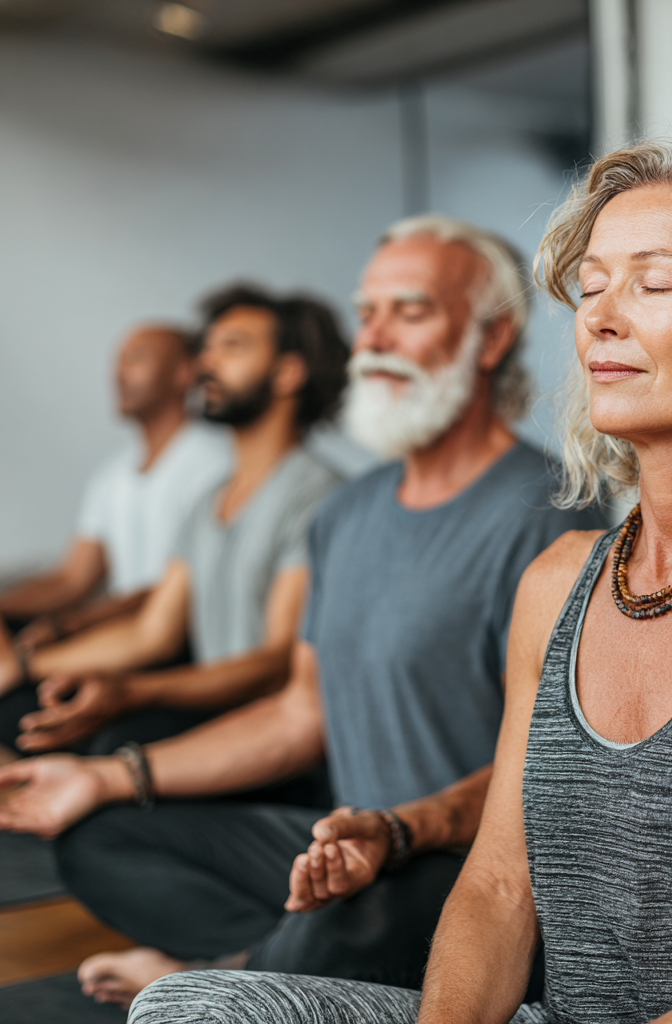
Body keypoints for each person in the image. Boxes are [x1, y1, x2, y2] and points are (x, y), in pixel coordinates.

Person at [125, 141, 672, 1024]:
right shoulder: (558, 583)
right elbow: (501, 886)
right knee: (187, 1006)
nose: (601, 320)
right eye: (590, 289)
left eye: (652, 286)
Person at [0, 215, 604, 1008]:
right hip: (344, 838)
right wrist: (106, 777)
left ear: (489, 341)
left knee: (347, 917)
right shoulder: (346, 515)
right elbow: (298, 715)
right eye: (367, 312)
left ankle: (237, 971)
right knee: (98, 831)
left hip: (464, 860)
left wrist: (401, 832)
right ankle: (272, 961)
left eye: (410, 311)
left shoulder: (552, 514)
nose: (374, 337)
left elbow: (552, 764)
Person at [0, 285, 345, 756]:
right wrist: (25, 663)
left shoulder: (318, 495)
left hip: (271, 735)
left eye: (233, 347)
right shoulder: (207, 502)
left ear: (288, 372)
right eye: (207, 348)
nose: (206, 363)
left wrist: (133, 692)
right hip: (210, 705)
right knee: (25, 708)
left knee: (103, 743)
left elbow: (275, 662)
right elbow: (152, 632)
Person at [0, 325, 231, 692]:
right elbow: (72, 579)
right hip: (118, 635)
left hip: (174, 646)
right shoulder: (113, 474)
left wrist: (70, 626)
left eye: (136, 359)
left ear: (184, 373)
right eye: (117, 362)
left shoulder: (215, 463)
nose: (117, 373)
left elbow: (178, 594)